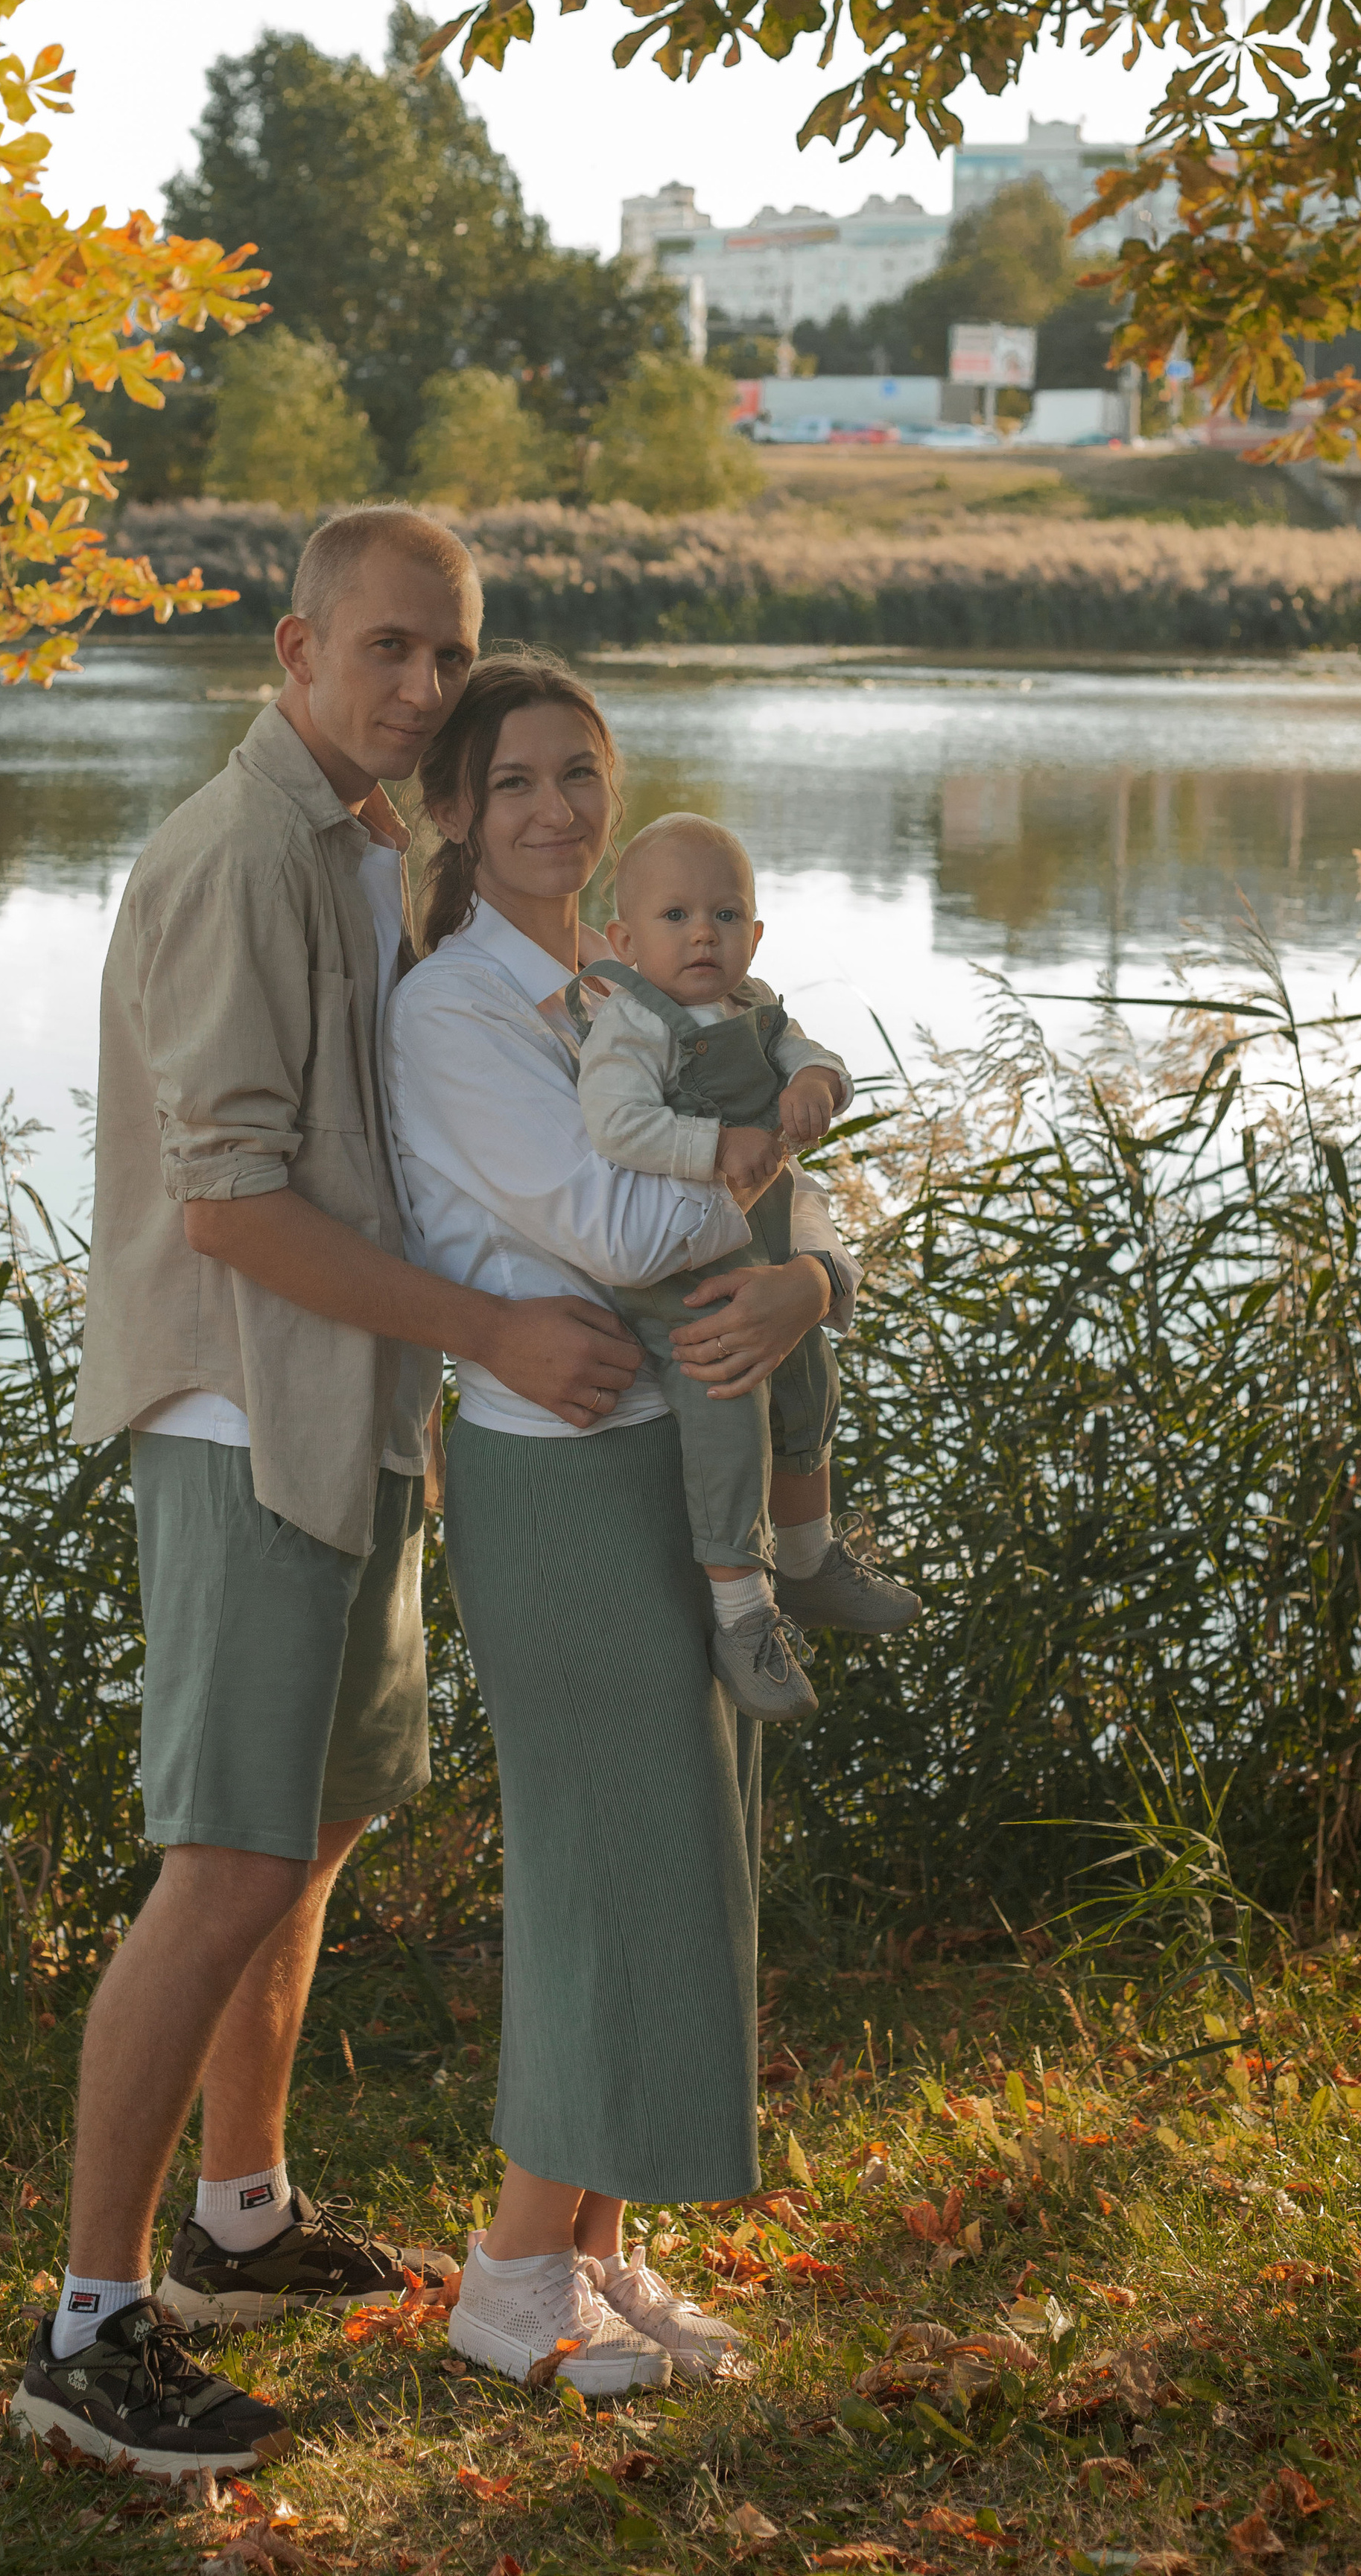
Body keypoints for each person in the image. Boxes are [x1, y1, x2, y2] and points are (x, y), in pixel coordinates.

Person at [12, 515, 644, 2478]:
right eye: (387, 650)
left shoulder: (367, 847)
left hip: (351, 1411)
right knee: (225, 1857)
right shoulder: (232, 857)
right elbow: (228, 1208)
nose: (423, 689)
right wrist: (496, 1332)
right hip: (239, 1416)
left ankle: (239, 2218)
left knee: (319, 1825)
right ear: (295, 650)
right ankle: (87, 2331)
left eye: (447, 656)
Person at [381, 651, 863, 2396]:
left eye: (576, 773)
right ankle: (510, 2275)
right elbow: (605, 1226)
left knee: (681, 1841)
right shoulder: (453, 1009)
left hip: (671, 1450)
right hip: (560, 1470)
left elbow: (772, 1197)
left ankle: (595, 2247)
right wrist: (766, 1202)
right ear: (453, 810)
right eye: (512, 781)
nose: (552, 809)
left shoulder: (625, 971)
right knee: (607, 1856)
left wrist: (808, 1280)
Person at [568, 808, 920, 1723]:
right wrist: (713, 1144)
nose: (702, 935)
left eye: (724, 916)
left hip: (759, 1250)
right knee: (727, 1406)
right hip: (679, 1276)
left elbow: (810, 1053)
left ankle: (808, 1560)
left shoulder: (755, 1006)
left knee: (808, 1377)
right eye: (675, 917)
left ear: (754, 935)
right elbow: (615, 1124)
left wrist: (816, 1083)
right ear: (623, 941)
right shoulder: (630, 1024)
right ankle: (742, 1617)